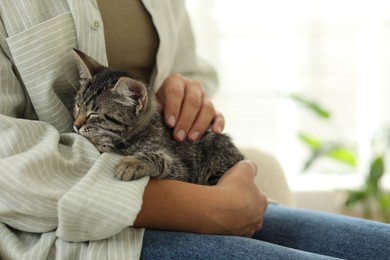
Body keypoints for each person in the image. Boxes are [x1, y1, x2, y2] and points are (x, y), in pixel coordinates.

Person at [0, 1, 389, 259]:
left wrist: (184, 91)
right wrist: (206, 210)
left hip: (188, 184)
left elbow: (189, 69)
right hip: (63, 233)